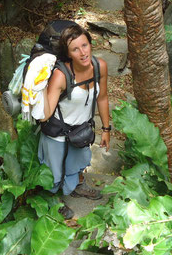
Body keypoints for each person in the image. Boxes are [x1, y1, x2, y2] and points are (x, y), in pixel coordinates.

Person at [38, 24, 111, 219]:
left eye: (85, 45)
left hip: (80, 130)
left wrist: (106, 129)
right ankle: (52, 200)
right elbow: (45, 115)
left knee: (78, 162)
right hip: (57, 134)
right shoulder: (61, 75)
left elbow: (102, 98)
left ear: (90, 44)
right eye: (75, 49)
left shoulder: (99, 66)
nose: (83, 53)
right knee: (53, 173)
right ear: (68, 54)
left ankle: (77, 185)